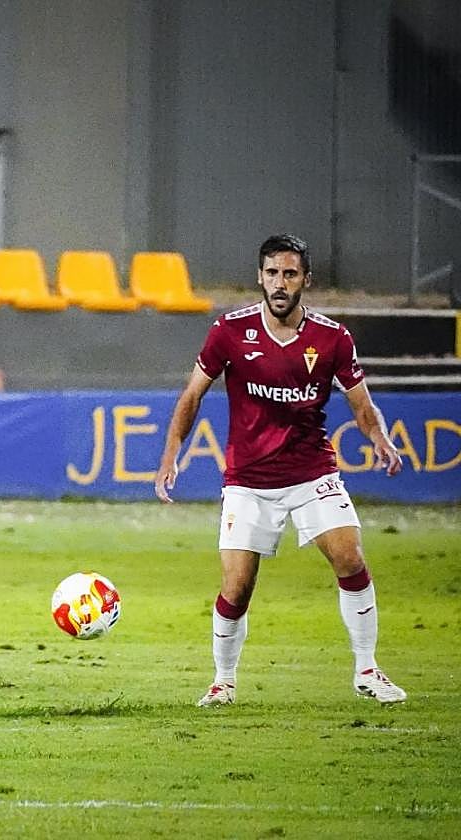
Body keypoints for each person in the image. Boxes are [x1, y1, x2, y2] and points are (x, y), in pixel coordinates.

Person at [154, 234, 406, 707]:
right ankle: (223, 681)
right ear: (260, 277)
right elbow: (192, 396)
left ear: (305, 280)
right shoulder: (229, 331)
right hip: (248, 481)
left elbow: (361, 403)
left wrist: (379, 437)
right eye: (272, 273)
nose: (280, 283)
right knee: (237, 586)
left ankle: (368, 669)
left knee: (351, 557)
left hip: (312, 472)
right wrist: (171, 453)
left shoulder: (332, 338)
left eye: (290, 274)